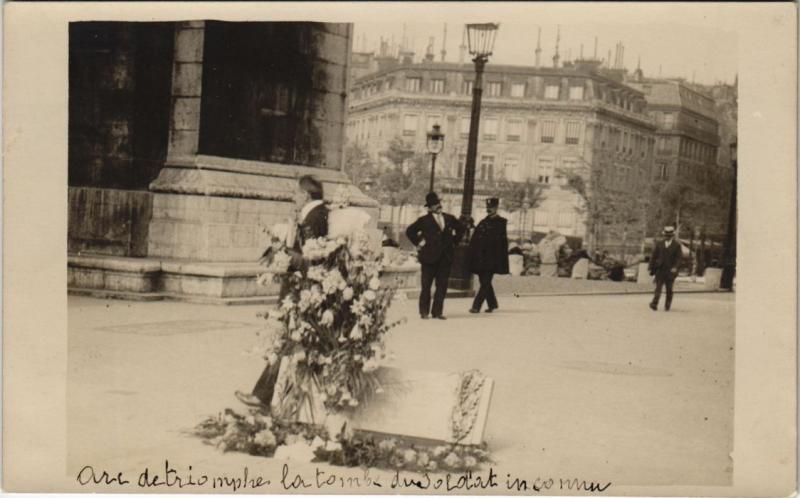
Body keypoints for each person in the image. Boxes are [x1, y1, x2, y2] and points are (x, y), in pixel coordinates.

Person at [236, 175, 329, 408]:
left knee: (288, 341)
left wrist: (283, 253)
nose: (293, 197)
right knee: (290, 342)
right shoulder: (315, 214)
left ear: (306, 194)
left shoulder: (313, 217)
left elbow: (310, 257)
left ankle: (265, 395)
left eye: (296, 193)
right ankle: (271, 395)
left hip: (301, 292)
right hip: (304, 290)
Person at [405, 192, 465, 320]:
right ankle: (424, 312)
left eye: (438, 203)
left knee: (442, 286)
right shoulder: (423, 220)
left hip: (445, 258)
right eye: (434, 204)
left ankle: (437, 312)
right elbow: (409, 231)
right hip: (428, 258)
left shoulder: (449, 218)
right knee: (426, 286)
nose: (438, 206)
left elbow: (461, 228)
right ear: (429, 207)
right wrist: (419, 243)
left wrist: (454, 241)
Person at [467, 197, 509, 313]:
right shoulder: (483, 222)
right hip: (480, 259)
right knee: (485, 282)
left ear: (496, 208)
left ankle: (476, 306)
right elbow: (475, 239)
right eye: (488, 207)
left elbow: (502, 243)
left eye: (491, 207)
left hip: (492, 259)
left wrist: (500, 261)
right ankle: (493, 304)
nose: (489, 209)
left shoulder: (501, 222)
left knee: (485, 282)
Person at [648, 225, 683, 311]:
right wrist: (650, 267)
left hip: (670, 271)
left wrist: (675, 267)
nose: (667, 237)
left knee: (669, 289)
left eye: (669, 235)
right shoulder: (659, 244)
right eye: (666, 235)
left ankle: (667, 305)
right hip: (660, 270)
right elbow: (654, 256)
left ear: (672, 236)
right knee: (658, 288)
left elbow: (679, 258)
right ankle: (654, 304)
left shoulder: (677, 245)